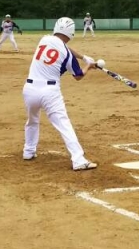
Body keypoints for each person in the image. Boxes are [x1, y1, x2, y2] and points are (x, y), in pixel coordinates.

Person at [22, 17, 98, 171]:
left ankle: (28, 151)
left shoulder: (44, 39)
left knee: (32, 120)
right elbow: (78, 76)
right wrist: (88, 66)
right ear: (71, 33)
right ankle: (78, 160)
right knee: (64, 125)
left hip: (29, 90)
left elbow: (61, 46)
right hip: (49, 92)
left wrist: (83, 57)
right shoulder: (68, 55)